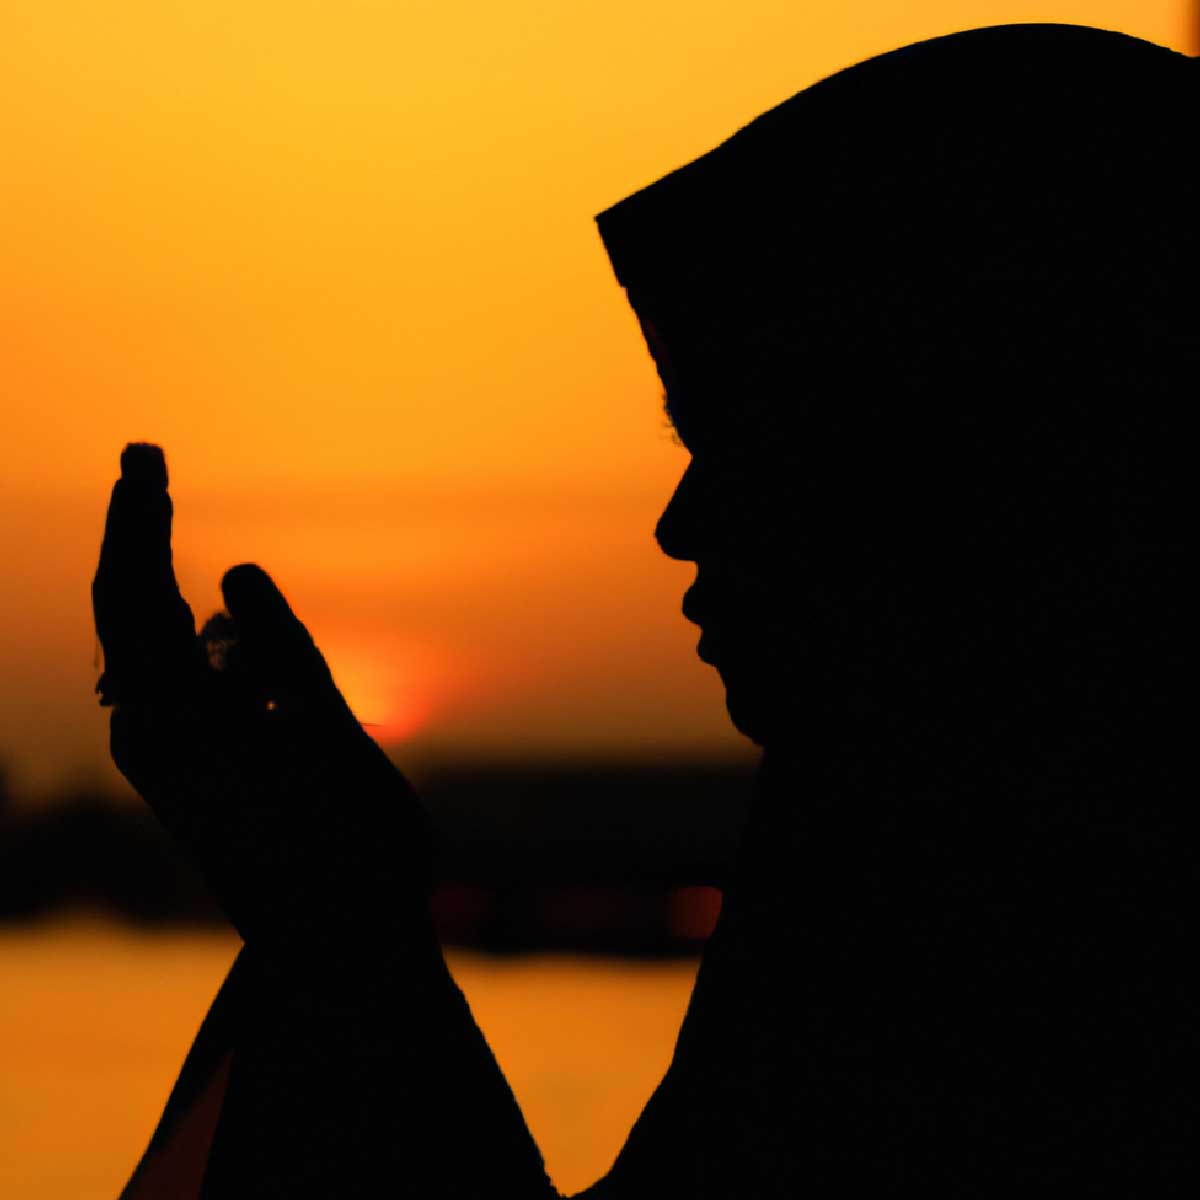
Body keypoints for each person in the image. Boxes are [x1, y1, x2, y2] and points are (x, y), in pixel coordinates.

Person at [94, 23, 1197, 1197]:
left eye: (739, 442)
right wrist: (342, 910)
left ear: (947, 460)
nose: (681, 523)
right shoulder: (890, 858)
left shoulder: (1018, 939)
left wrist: (339, 925)